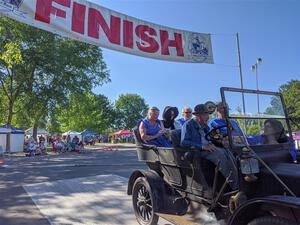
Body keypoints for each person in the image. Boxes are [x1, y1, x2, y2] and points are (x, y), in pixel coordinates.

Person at [181, 104, 238, 190]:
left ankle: (238, 179)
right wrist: (203, 147)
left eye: (208, 114)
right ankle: (234, 186)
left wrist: (219, 139)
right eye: (205, 114)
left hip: (209, 148)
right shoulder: (188, 125)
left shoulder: (205, 126)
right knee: (220, 155)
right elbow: (184, 142)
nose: (207, 117)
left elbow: (211, 138)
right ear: (197, 115)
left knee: (228, 152)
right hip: (197, 152)